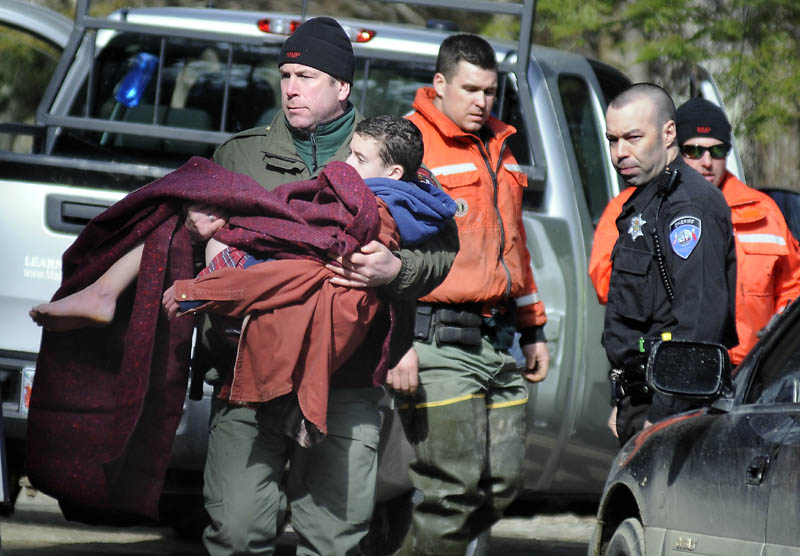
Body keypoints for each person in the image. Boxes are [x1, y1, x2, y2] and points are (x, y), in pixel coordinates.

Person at [191, 18, 459, 556]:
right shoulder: (239, 155)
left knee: (332, 542)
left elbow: (442, 245)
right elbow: (199, 232)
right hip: (251, 371)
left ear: (342, 86)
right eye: (286, 74)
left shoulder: (384, 149)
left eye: (307, 75)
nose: (291, 87)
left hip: (348, 379)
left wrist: (395, 270)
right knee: (237, 533)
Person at [399, 34, 549, 555]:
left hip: (494, 341)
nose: (482, 102)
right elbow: (384, 250)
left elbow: (516, 247)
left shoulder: (500, 147)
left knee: (503, 484)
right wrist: (396, 342)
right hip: (433, 341)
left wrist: (534, 329)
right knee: (451, 494)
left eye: (489, 91)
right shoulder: (409, 145)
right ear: (439, 85)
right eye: (470, 89)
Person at [590, 98, 800, 366]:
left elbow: (793, 285)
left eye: (718, 150)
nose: (707, 162)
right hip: (665, 364)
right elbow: (606, 282)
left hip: (750, 370)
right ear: (674, 147)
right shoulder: (633, 207)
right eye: (693, 151)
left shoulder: (763, 210)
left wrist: (778, 335)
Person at [594, 83, 738, 446]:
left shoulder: (688, 208)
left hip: (674, 408)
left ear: (669, 132)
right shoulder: (649, 198)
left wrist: (661, 416)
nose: (620, 152)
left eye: (633, 137)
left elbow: (698, 323)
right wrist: (627, 399)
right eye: (612, 140)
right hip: (644, 398)